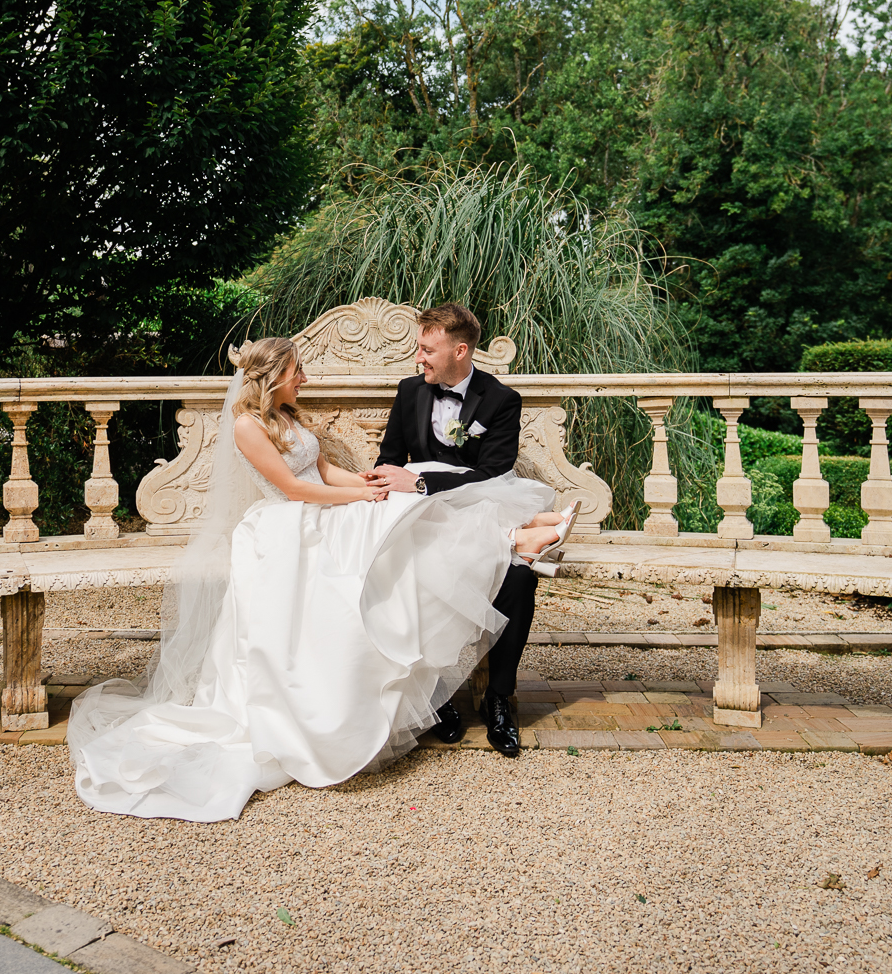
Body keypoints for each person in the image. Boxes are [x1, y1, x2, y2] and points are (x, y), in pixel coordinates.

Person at [66, 332, 574, 822]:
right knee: (397, 520)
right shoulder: (247, 426)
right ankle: (519, 537)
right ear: (273, 376)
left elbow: (325, 471)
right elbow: (292, 487)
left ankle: (521, 531)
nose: (304, 379)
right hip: (292, 526)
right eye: (296, 372)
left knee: (405, 513)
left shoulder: (286, 414)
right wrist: (365, 497)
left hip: (322, 508)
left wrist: (372, 484)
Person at [365, 302, 543, 757]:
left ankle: (499, 697)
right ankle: (431, 695)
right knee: (403, 572)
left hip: (480, 513)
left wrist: (423, 481)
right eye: (419, 349)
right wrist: (386, 482)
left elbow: (493, 473)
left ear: (460, 350)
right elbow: (389, 458)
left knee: (520, 579)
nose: (418, 358)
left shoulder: (501, 400)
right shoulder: (409, 392)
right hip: (423, 521)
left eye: (427, 349)